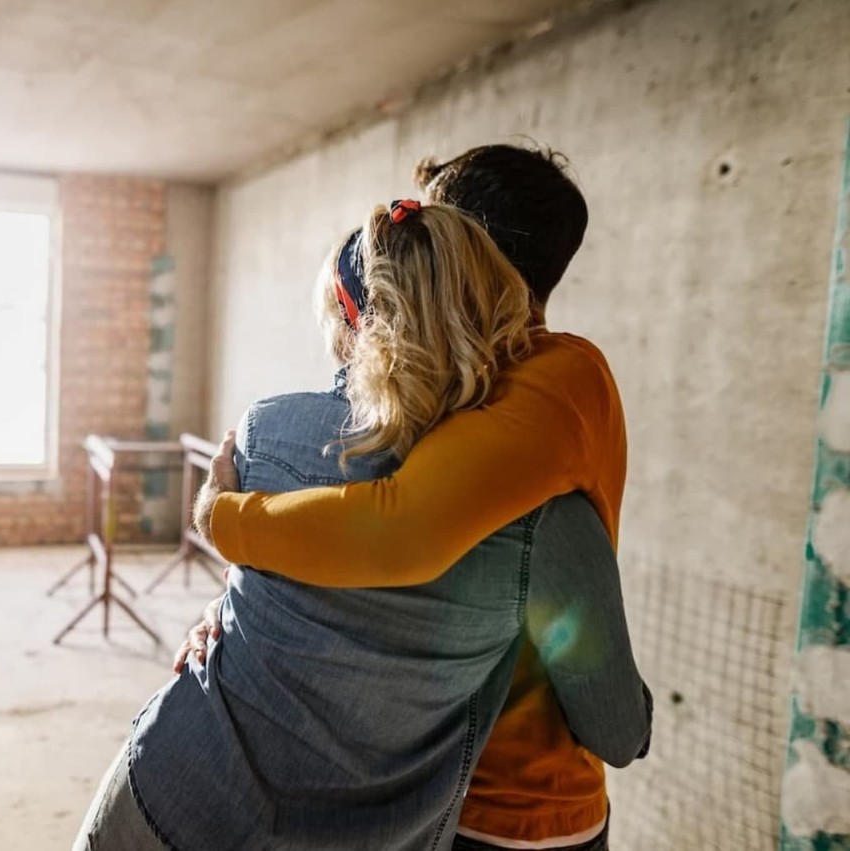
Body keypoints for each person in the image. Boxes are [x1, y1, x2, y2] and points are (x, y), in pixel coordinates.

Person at [73, 197, 650, 850]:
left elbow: (356, 539)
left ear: (355, 320)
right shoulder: (543, 507)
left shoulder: (266, 432)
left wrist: (222, 533)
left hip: (174, 790)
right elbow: (616, 729)